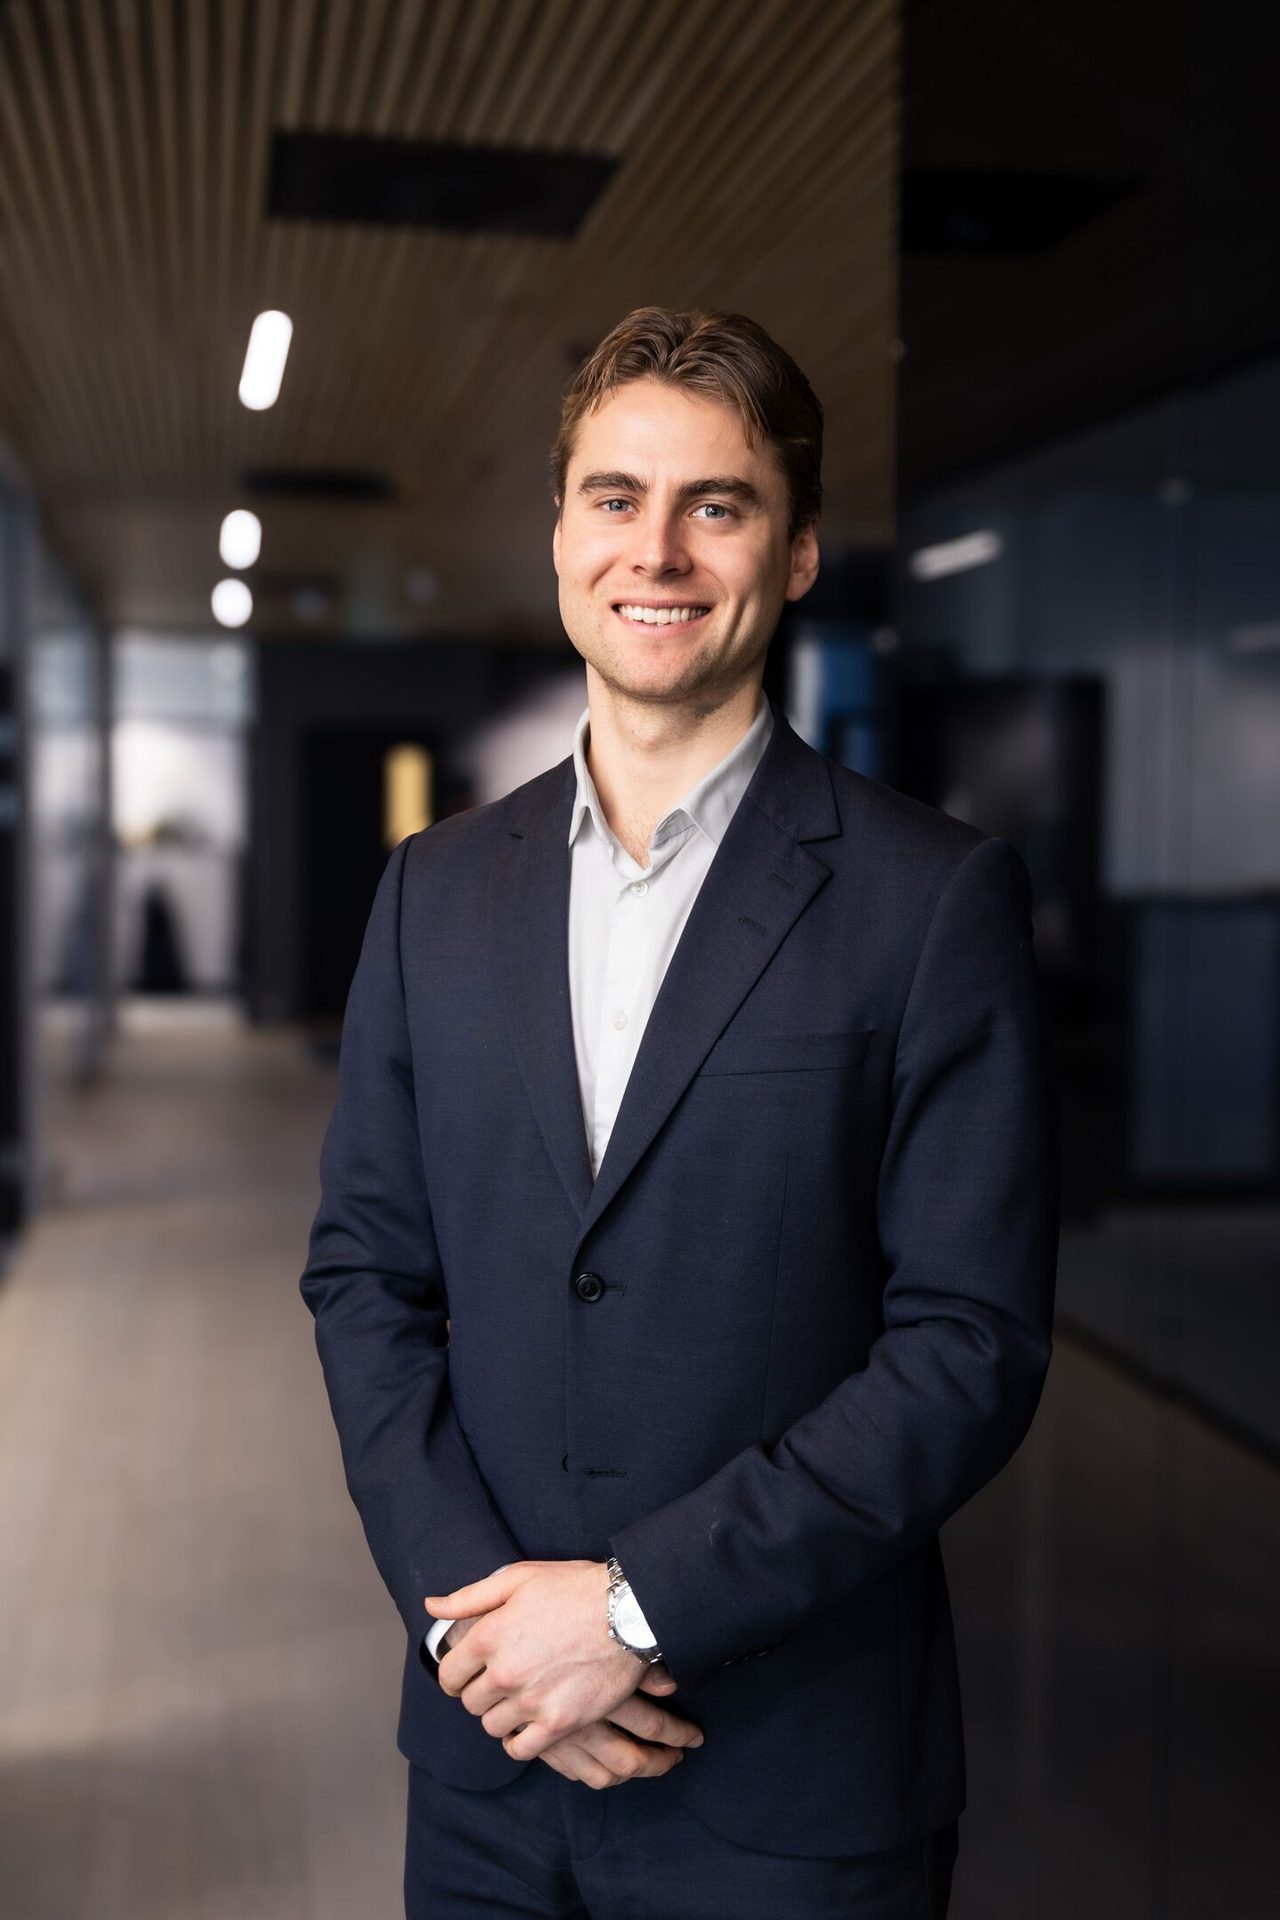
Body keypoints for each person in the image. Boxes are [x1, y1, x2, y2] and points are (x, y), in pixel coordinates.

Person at [300, 306, 1059, 1918]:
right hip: (486, 1766)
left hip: (794, 1783)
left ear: (792, 556)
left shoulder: (930, 902)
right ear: (561, 533)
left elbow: (968, 1345)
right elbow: (369, 1278)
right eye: (615, 497)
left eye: (716, 504)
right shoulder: (434, 896)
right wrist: (480, 1632)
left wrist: (631, 1615)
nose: (658, 549)